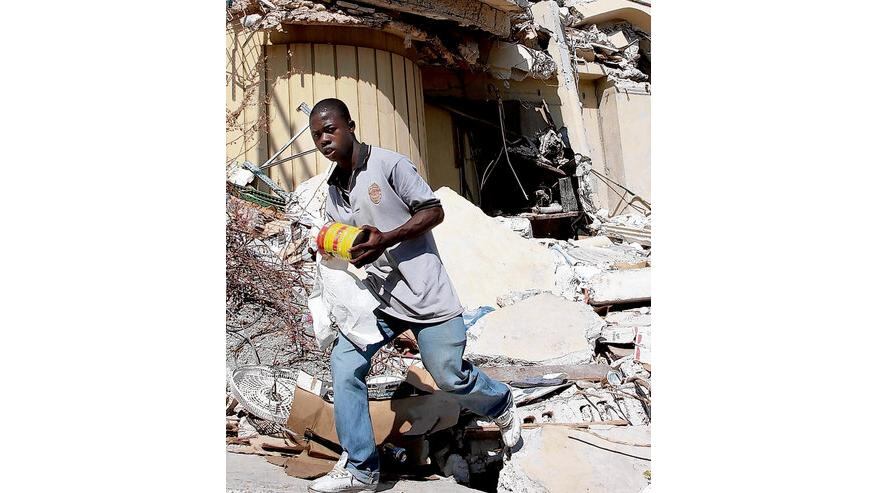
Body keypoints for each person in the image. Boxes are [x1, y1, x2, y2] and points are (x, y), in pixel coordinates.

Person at [306, 98, 521, 493]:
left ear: (350, 125)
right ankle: (361, 470)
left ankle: (499, 402)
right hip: (379, 299)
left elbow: (433, 211)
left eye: (330, 130)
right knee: (345, 365)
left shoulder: (389, 165)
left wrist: (387, 238)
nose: (323, 140)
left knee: (448, 375)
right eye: (316, 135)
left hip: (424, 293)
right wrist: (330, 248)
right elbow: (350, 239)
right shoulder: (334, 189)